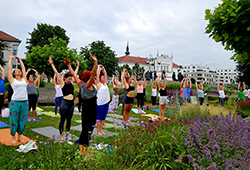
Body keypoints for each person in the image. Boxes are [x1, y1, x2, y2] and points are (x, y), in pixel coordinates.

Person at [65, 53, 97, 157]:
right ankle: (85, 152)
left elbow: (74, 75)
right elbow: (93, 74)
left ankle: (82, 150)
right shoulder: (88, 85)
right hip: (91, 109)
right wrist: (95, 62)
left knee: (84, 129)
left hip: (85, 109)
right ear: (88, 78)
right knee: (89, 130)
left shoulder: (81, 84)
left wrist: (69, 65)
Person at [49, 57, 74, 135]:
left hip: (71, 103)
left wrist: (76, 66)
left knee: (69, 120)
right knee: (62, 119)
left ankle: (67, 133)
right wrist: (52, 64)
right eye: (69, 79)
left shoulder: (72, 83)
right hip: (65, 103)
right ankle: (61, 134)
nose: (70, 80)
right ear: (65, 78)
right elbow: (56, 72)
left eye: (71, 79)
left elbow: (74, 73)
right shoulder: (62, 83)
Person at [8, 54, 29, 144]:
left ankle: (19, 136)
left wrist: (20, 60)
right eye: (17, 70)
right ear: (14, 73)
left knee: (23, 120)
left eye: (19, 70)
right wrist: (10, 59)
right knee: (14, 119)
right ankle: (13, 136)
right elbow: (9, 68)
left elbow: (24, 69)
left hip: (25, 102)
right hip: (15, 102)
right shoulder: (12, 80)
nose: (19, 71)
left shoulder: (24, 79)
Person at [95, 65, 110, 136]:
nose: (104, 78)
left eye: (104, 77)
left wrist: (103, 68)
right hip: (100, 104)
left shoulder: (105, 84)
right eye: (102, 77)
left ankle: (101, 130)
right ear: (100, 78)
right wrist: (98, 68)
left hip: (106, 103)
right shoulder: (98, 84)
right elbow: (97, 75)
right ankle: (98, 131)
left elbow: (106, 74)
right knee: (99, 118)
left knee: (103, 118)